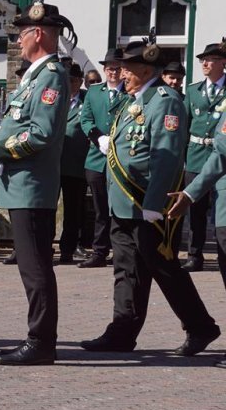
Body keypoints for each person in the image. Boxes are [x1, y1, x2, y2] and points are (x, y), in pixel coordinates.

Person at [80, 30, 220, 357]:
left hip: (147, 205)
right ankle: (122, 331)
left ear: (145, 70)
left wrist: (154, 204)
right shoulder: (132, 101)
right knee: (127, 269)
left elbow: (166, 157)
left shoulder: (165, 101)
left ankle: (201, 326)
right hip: (123, 203)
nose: (121, 74)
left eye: (127, 69)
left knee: (163, 267)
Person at [0, 0, 74, 365]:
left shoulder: (51, 76)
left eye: (22, 34)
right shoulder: (35, 77)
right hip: (22, 185)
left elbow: (41, 134)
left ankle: (41, 342)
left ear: (38, 34)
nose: (18, 41)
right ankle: (38, 337)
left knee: (36, 268)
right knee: (31, 267)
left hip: (32, 187)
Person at [78, 48, 127, 268]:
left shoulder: (129, 93)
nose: (113, 72)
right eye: (109, 68)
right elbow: (85, 119)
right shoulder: (94, 92)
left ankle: (120, 250)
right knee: (100, 208)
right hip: (96, 156)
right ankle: (99, 251)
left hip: (121, 157)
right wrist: (98, 137)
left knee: (119, 207)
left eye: (117, 68)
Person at [180, 42, 226, 272]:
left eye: (210, 60)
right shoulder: (193, 90)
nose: (205, 64)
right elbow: (184, 125)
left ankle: (221, 252)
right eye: (202, 60)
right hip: (197, 155)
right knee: (195, 209)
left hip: (221, 159)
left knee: (221, 209)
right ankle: (194, 254)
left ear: (222, 63)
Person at [57, 63, 88, 264]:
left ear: (80, 81)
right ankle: (45, 245)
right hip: (53, 162)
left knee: (74, 209)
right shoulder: (55, 98)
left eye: (74, 80)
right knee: (47, 208)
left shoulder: (87, 100)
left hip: (76, 163)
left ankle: (69, 248)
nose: (70, 84)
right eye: (66, 80)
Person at [1, 59, 31, 266]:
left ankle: (34, 248)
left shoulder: (35, 95)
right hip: (11, 155)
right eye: (20, 76)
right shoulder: (13, 96)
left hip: (28, 153)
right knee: (15, 208)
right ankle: (17, 247)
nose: (23, 79)